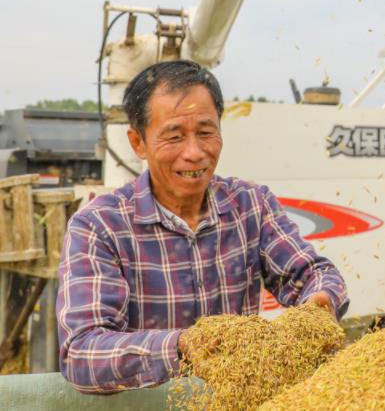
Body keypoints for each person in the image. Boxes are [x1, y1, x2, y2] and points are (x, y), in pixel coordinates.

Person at [57, 60, 347, 394]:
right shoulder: (99, 226)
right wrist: (183, 346)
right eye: (174, 137)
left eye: (206, 133)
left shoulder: (251, 205)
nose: (194, 153)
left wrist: (320, 299)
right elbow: (81, 353)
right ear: (138, 142)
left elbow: (312, 272)